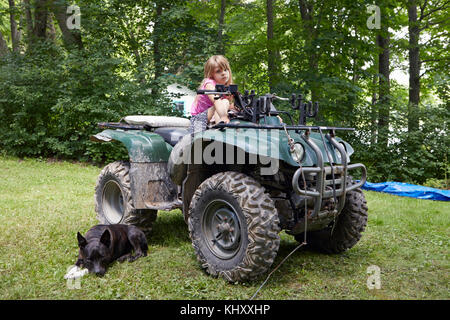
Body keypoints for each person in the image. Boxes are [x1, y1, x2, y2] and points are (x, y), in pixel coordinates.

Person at [189, 55, 234, 135]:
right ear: (211, 74)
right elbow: (216, 101)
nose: (223, 73)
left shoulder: (226, 87)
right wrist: (223, 116)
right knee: (223, 101)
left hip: (211, 115)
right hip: (198, 120)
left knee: (228, 104)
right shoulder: (209, 84)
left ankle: (221, 125)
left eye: (225, 70)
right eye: (218, 71)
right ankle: (221, 127)